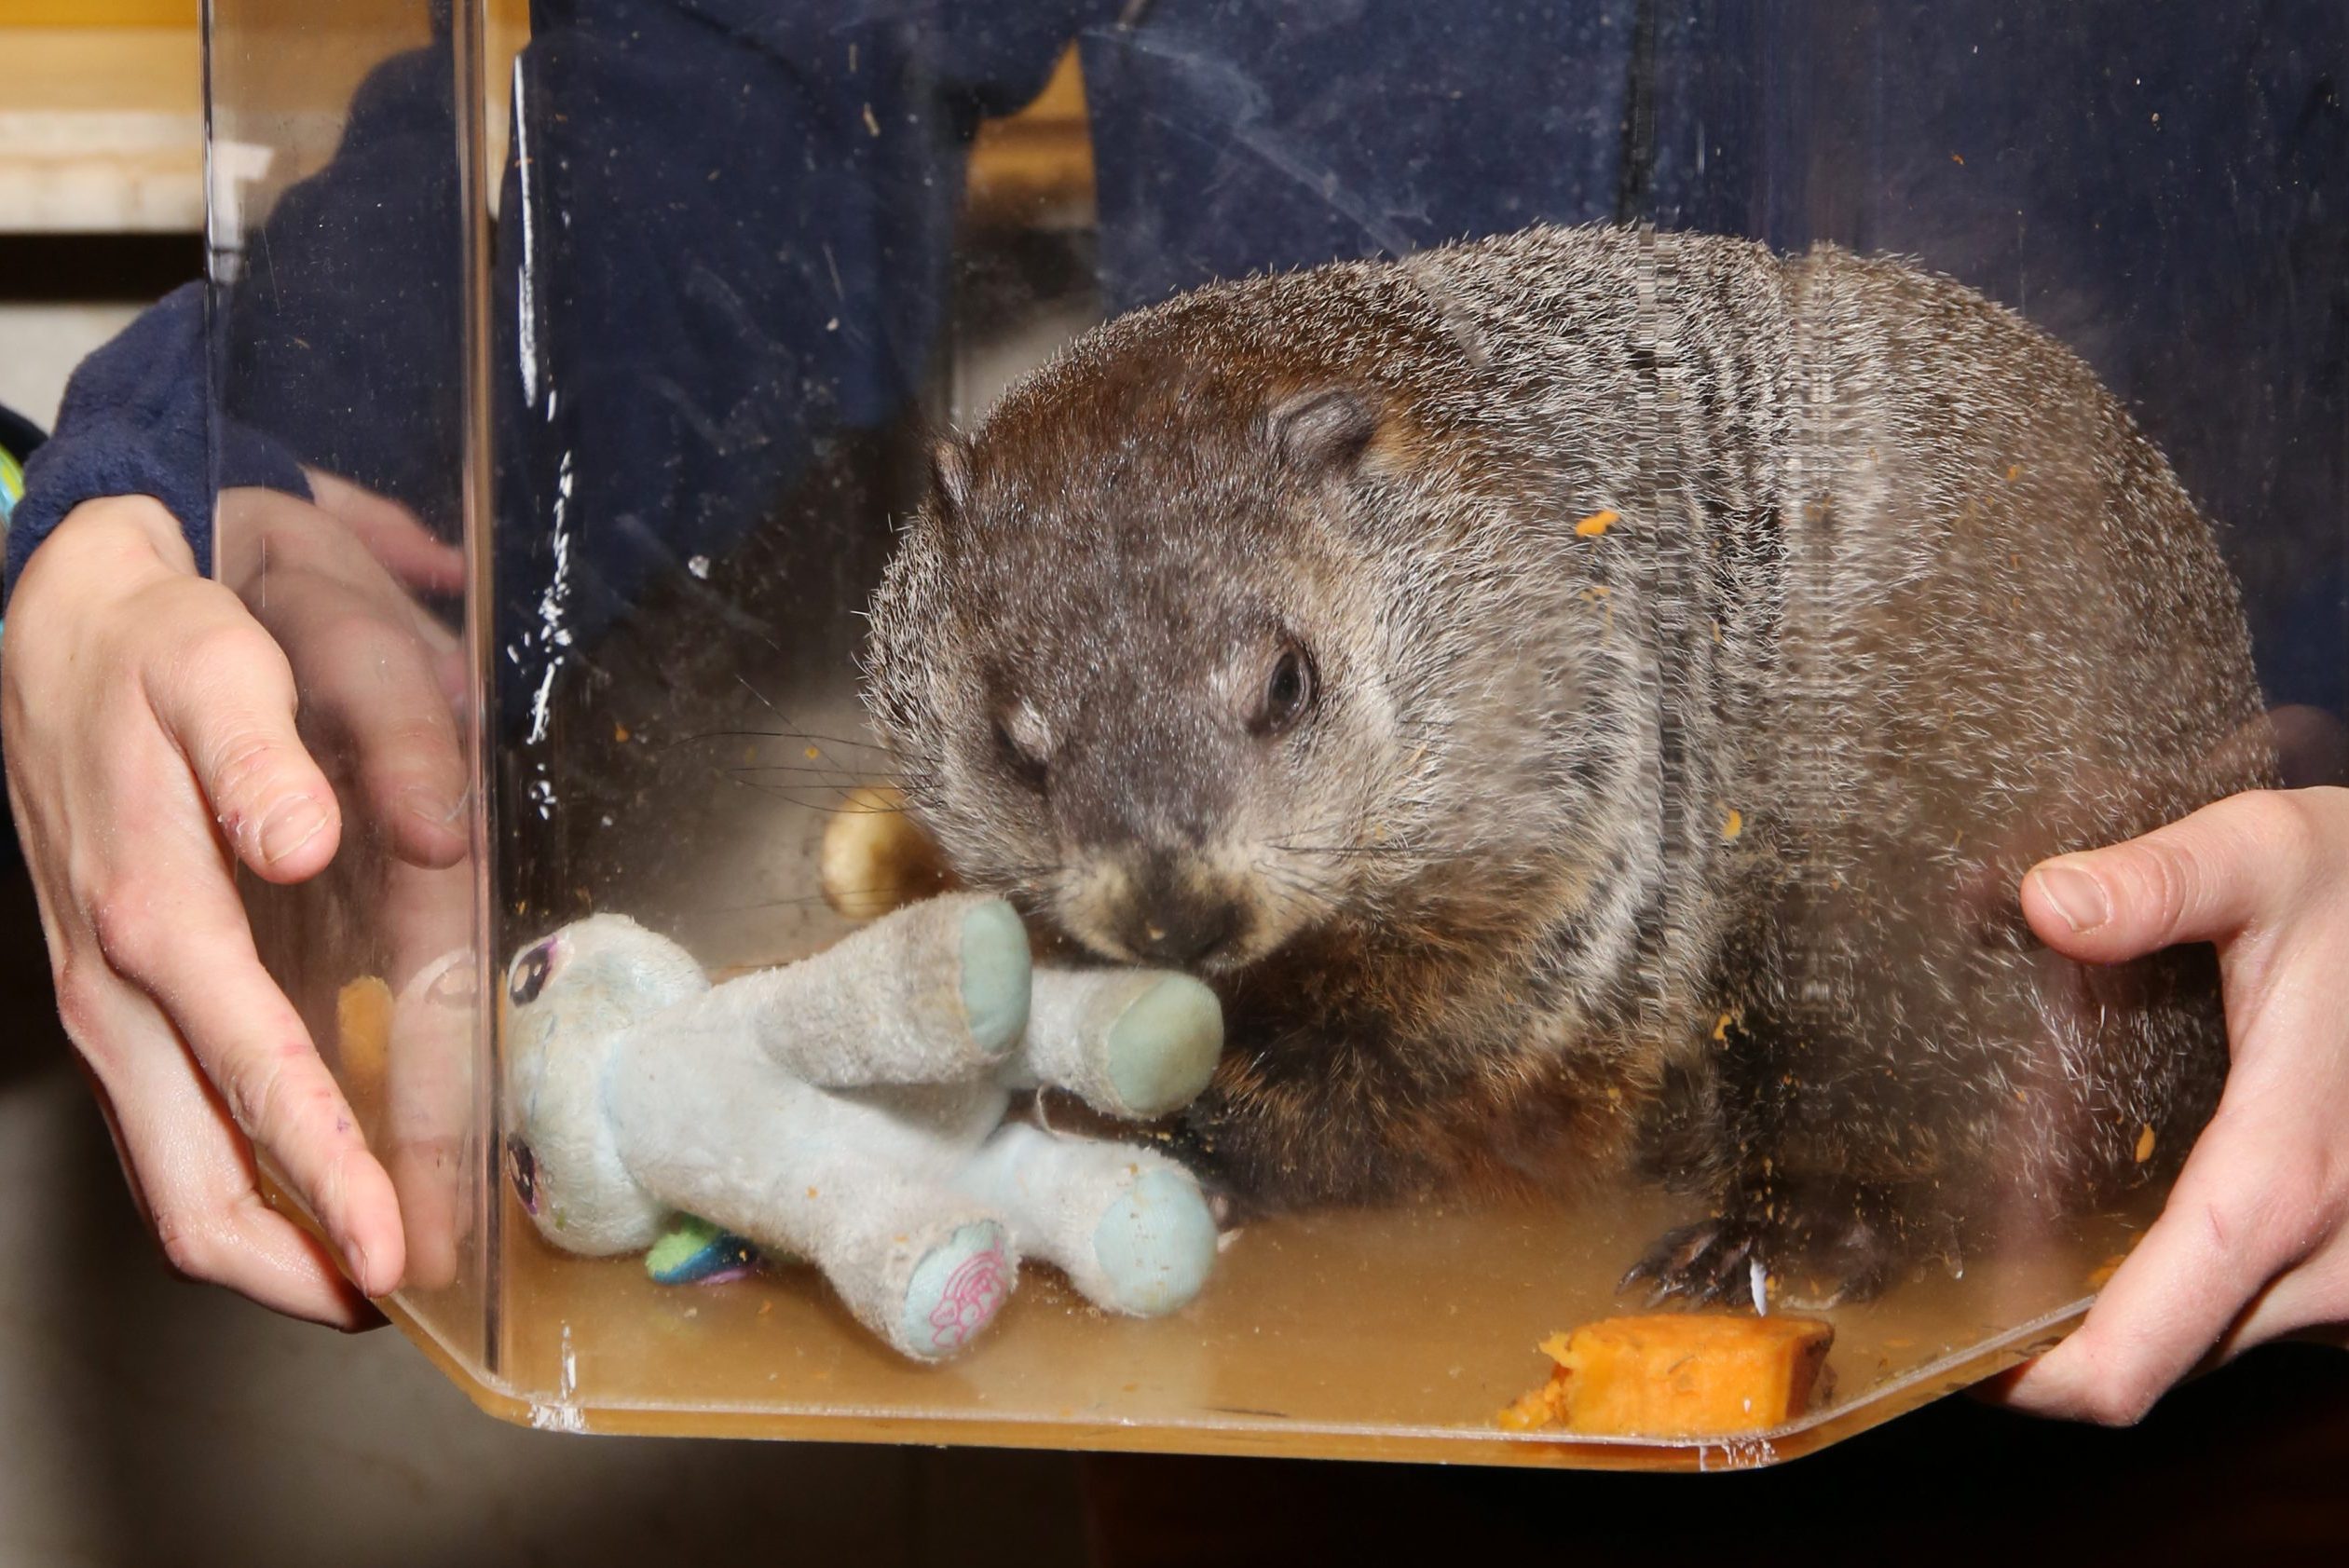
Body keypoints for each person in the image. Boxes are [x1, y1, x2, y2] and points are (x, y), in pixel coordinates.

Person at [1, 0, 2343, 1421]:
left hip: (2225, 1273)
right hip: (1301, 1402)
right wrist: (261, 458)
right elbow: (714, 91)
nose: (1155, 878)